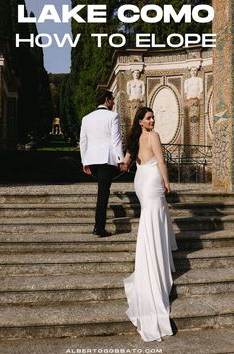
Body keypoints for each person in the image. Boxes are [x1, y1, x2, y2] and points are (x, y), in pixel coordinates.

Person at [123, 107, 178, 342]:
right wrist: (167, 183)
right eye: (148, 118)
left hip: (140, 179)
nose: (152, 120)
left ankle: (152, 260)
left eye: (153, 117)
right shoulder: (153, 136)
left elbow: (125, 163)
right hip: (153, 179)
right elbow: (162, 161)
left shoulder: (134, 138)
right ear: (141, 121)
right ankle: (155, 265)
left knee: (150, 219)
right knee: (154, 219)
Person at [80, 90, 127, 237]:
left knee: (102, 191)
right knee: (103, 193)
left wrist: (84, 162)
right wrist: (121, 160)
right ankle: (98, 228)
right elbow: (116, 139)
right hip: (106, 159)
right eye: (112, 100)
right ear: (107, 100)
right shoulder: (113, 116)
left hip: (92, 160)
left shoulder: (86, 118)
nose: (114, 103)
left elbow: (83, 141)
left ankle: (98, 226)